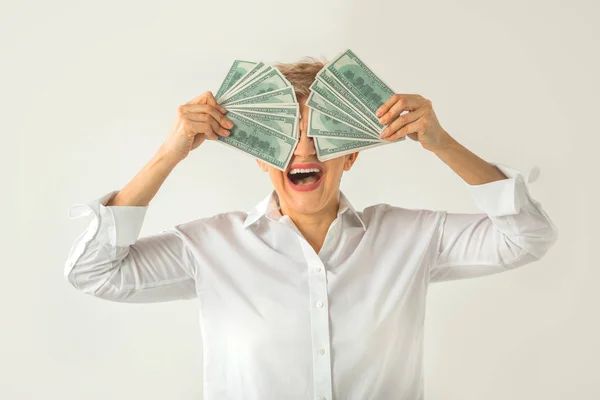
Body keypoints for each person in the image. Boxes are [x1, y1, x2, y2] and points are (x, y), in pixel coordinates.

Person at [64, 59, 558, 400]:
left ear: (353, 150)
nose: (303, 151)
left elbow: (528, 236)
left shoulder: (411, 238)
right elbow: (93, 273)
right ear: (259, 158)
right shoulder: (209, 247)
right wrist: (170, 152)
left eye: (321, 135)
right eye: (284, 138)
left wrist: (441, 142)